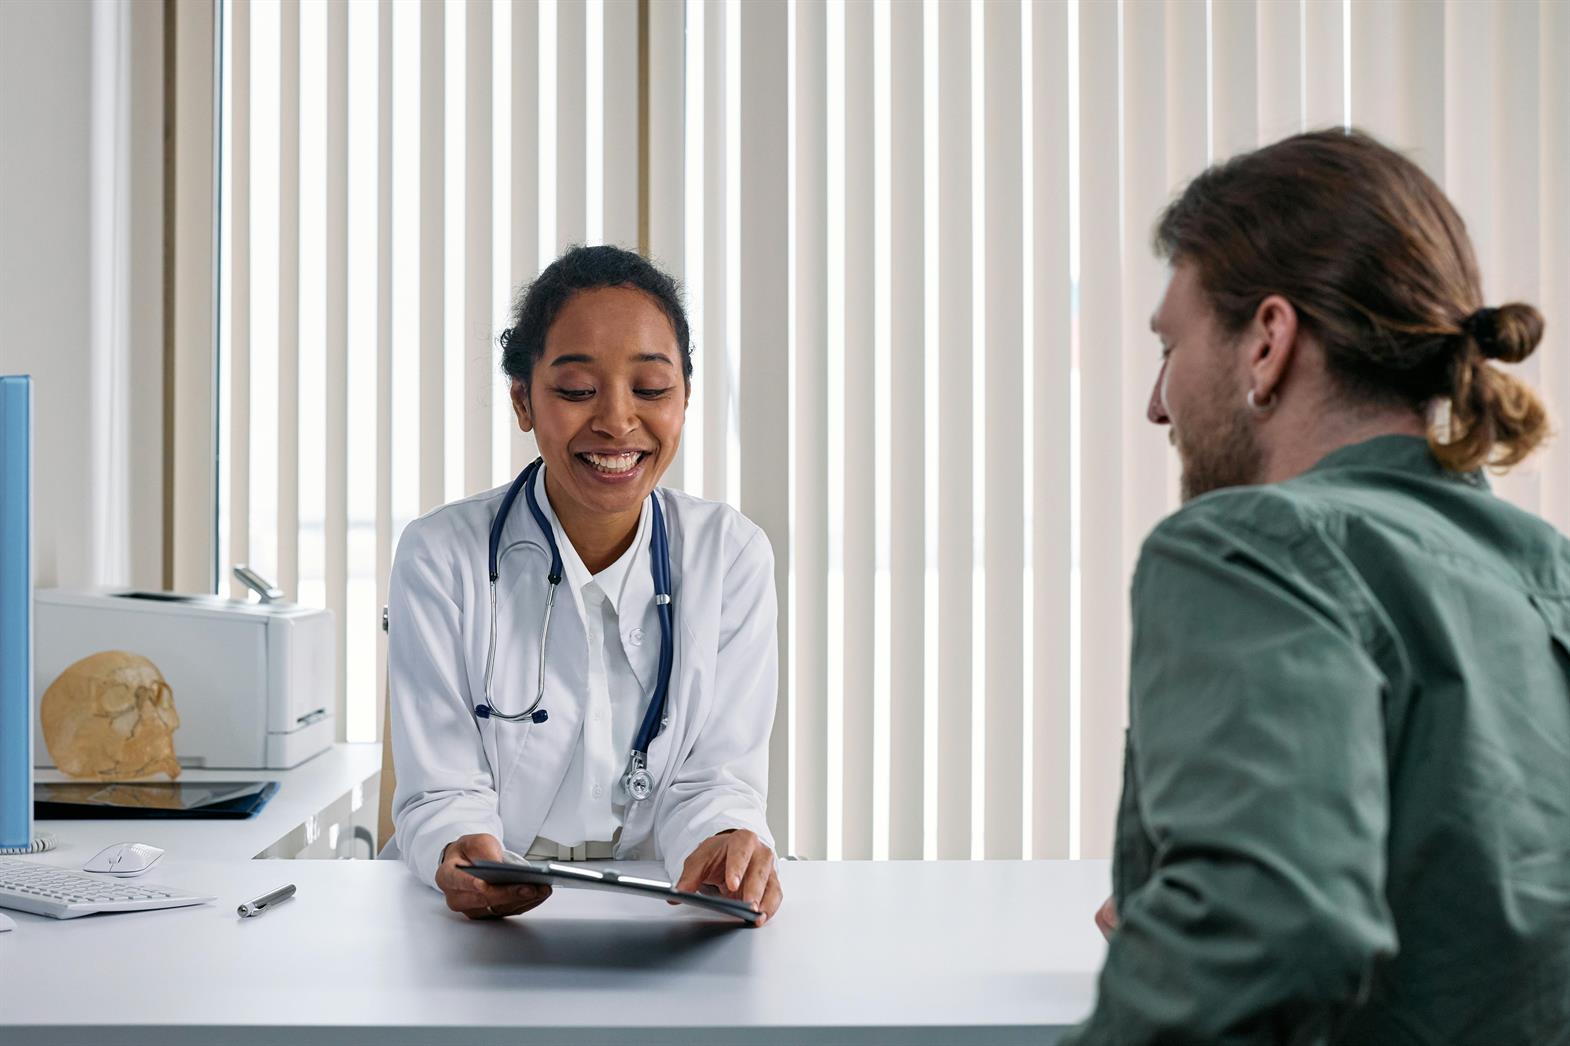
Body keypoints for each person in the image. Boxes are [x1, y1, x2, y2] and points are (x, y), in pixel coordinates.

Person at [1064, 130, 1570, 1043]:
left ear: (1267, 342)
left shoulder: (1251, 545)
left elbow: (1266, 934)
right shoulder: (1543, 569)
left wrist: (1208, 922)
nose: (1156, 403)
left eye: (1169, 347)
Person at [386, 245, 783, 925]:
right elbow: (442, 788)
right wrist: (464, 850)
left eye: (652, 390)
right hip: (474, 925)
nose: (616, 421)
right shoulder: (440, 555)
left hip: (662, 910)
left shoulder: (730, 555)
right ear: (523, 400)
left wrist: (723, 844)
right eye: (575, 391)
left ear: (684, 399)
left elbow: (716, 779)